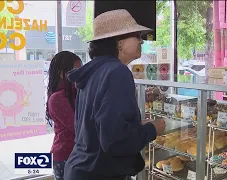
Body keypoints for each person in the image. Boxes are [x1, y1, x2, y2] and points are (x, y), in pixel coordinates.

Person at [64, 9, 166, 180]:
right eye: (136, 35)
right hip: (99, 173)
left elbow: (96, 126)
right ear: (119, 42)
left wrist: (134, 125)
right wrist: (151, 129)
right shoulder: (117, 72)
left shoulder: (96, 70)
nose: (141, 40)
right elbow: (115, 141)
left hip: (81, 169)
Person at [46, 51, 82, 180]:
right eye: (75, 71)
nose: (80, 75)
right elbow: (77, 127)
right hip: (65, 156)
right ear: (62, 73)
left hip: (76, 154)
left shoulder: (75, 92)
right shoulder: (57, 98)